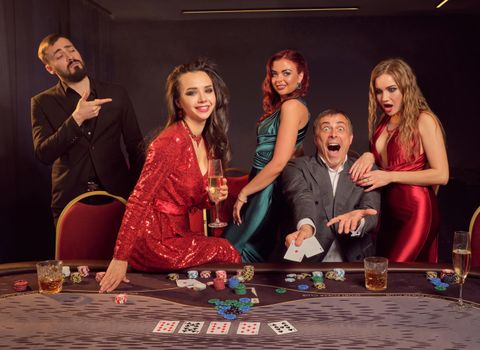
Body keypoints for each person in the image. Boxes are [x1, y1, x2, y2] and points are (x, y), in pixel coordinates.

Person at [99, 59, 241, 293]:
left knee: (224, 253)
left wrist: (212, 197)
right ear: (179, 102)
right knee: (225, 250)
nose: (203, 99)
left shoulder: (208, 142)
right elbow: (139, 199)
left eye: (208, 90)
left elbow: (191, 198)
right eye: (192, 93)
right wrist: (120, 258)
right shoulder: (169, 142)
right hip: (153, 241)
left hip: (179, 233)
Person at [31, 34, 144, 223]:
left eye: (71, 49)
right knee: (74, 253)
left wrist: (136, 192)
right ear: (50, 68)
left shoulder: (116, 93)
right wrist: (76, 119)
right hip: (69, 200)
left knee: (119, 254)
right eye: (59, 56)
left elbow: (136, 146)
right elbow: (43, 154)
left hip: (119, 195)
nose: (70, 56)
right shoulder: (42, 102)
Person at [349, 58, 449, 263]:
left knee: (393, 274)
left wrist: (389, 176)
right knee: (383, 276)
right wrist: (368, 155)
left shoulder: (424, 120)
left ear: (406, 88)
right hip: (387, 214)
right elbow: (381, 168)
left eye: (392, 89)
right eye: (379, 91)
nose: (384, 97)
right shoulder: (383, 124)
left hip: (417, 211)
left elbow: (442, 175)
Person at [224, 49, 310, 262]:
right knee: (240, 249)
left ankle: (240, 294)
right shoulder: (285, 106)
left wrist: (243, 193)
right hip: (261, 184)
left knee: (238, 249)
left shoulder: (292, 106)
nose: (278, 79)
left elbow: (279, 162)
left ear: (300, 76)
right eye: (275, 73)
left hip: (267, 189)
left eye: (286, 73)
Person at [282, 110, 380, 262]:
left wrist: (359, 222)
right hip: (310, 263)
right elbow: (301, 197)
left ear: (350, 138)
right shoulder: (296, 167)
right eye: (326, 128)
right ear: (316, 139)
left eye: (340, 129)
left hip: (354, 262)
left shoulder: (368, 169)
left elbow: (371, 212)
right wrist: (306, 228)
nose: (333, 134)